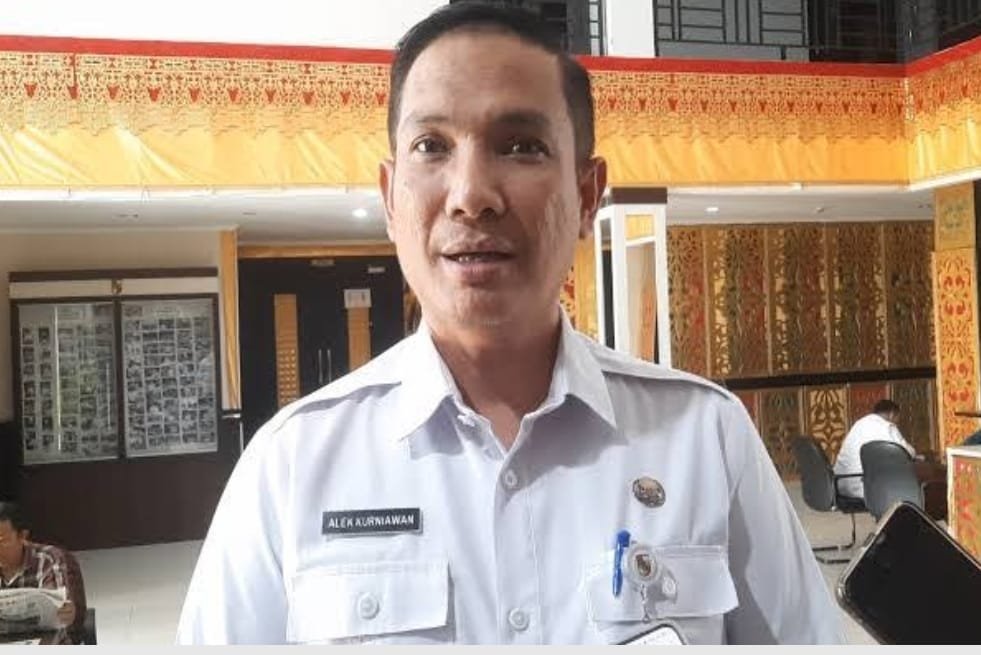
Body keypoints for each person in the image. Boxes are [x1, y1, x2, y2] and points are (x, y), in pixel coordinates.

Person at [177, 2, 843, 644]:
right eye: (431, 146)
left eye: (521, 146)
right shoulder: (291, 464)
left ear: (586, 195)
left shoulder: (705, 438)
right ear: (389, 198)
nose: (471, 195)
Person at [0, 502, 86, 644]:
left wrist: (67, 611)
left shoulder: (48, 559)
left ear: (22, 536)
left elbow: (59, 608)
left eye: (2, 541)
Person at [834, 399, 916, 500]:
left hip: (841, 486)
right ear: (892, 414)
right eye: (897, 419)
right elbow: (907, 452)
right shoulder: (887, 426)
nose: (897, 423)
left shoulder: (858, 424)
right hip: (866, 487)